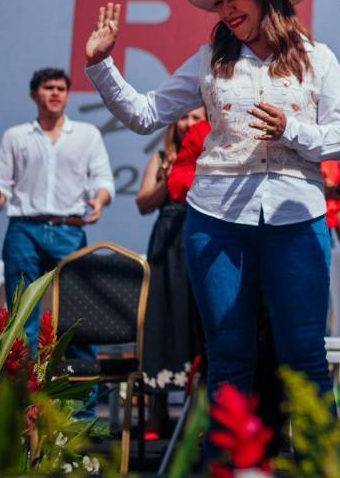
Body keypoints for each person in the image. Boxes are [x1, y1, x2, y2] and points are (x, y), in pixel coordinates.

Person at [82, 0, 340, 431]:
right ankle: (225, 467)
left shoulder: (317, 58)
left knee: (305, 357)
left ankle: (322, 466)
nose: (227, 10)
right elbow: (145, 114)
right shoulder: (211, 59)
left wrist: (292, 131)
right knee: (228, 359)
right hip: (216, 222)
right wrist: (103, 64)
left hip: (297, 218)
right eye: (220, 1)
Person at [0, 68, 115, 350]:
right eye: (48, 88)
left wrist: (99, 200)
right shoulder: (15, 136)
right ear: (34, 94)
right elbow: (2, 186)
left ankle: (82, 391)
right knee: (22, 314)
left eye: (61, 88)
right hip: (24, 231)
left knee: (77, 313)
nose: (55, 93)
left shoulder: (87, 134)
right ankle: (22, 389)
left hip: (69, 229)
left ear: (67, 95)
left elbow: (103, 180)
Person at [134, 106, 207, 436]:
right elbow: (143, 202)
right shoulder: (161, 157)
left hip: (200, 239)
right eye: (184, 117)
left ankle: (196, 413)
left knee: (197, 322)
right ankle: (157, 412)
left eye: (196, 117)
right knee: (161, 320)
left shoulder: (212, 152)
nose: (189, 123)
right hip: (166, 243)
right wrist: (172, 177)